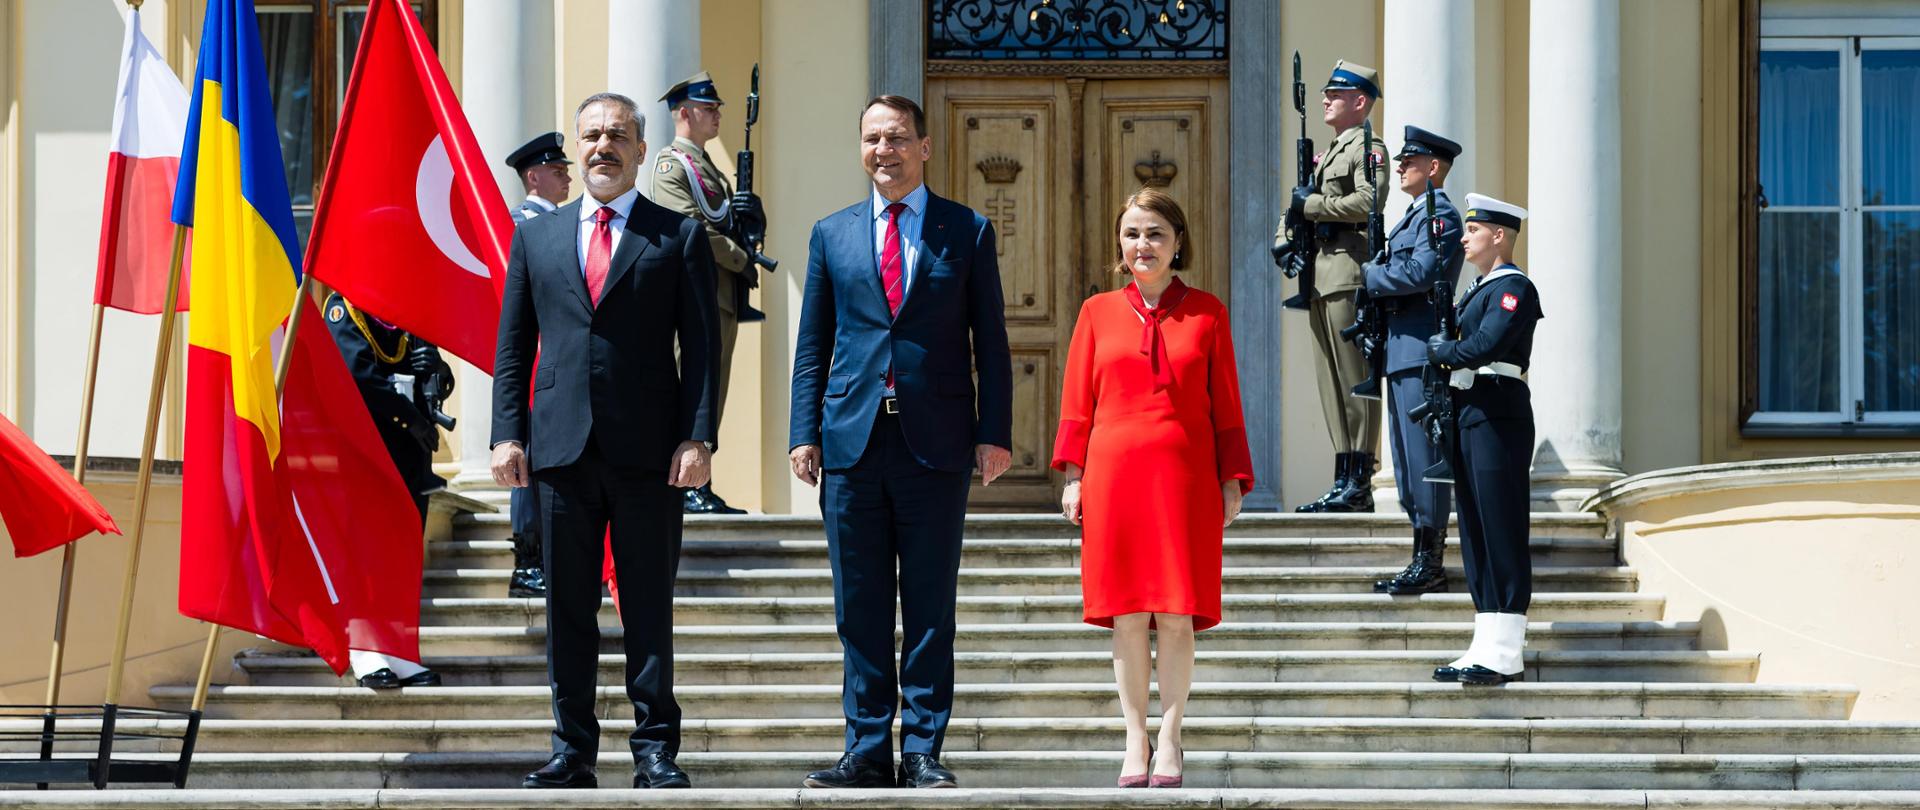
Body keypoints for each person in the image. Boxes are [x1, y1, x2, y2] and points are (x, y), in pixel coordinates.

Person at [490, 91, 719, 790]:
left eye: (617, 135)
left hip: (649, 453)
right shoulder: (538, 237)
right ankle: (572, 750)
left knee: (647, 606)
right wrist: (506, 435)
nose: (602, 147)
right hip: (560, 452)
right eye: (591, 136)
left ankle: (655, 751)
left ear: (640, 150)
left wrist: (698, 437)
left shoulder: (676, 236)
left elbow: (701, 351)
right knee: (567, 611)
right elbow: (512, 347)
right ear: (577, 148)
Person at [788, 95, 1013, 790]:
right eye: (872, 139)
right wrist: (802, 433)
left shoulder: (966, 229)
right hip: (851, 443)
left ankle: (921, 749)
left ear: (924, 146)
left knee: (928, 606)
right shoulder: (832, 233)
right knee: (858, 608)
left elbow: (991, 341)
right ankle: (864, 750)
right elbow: (813, 343)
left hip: (935, 444)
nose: (883, 150)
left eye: (896, 138)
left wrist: (994, 433)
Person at [1054, 187, 1252, 789]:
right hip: (1114, 477)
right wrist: (1073, 475)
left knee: (1176, 614)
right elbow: (1077, 401)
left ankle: (1171, 736)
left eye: (1156, 234)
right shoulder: (1095, 312)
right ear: (1120, 243)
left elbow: (1226, 403)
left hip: (1185, 478)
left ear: (1178, 242)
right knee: (1127, 615)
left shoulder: (1209, 313)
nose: (1143, 245)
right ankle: (1134, 737)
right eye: (1133, 234)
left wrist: (1232, 477)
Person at [1426, 193, 1540, 686]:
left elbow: (1487, 344)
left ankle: (1508, 651)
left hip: (1498, 412)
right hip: (1471, 410)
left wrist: (1444, 352)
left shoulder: (1514, 288)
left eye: (1473, 230)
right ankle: (1485, 643)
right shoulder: (1476, 290)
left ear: (1498, 235)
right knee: (1475, 531)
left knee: (1501, 527)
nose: (1464, 238)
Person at [322, 292, 450, 690]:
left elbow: (434, 378)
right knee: (367, 555)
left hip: (411, 458)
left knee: (401, 554)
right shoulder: (342, 309)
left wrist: (437, 369)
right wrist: (410, 419)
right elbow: (359, 375)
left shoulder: (405, 313)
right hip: (367, 453)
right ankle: (364, 651)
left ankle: (398, 650)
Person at [651, 70, 764, 515]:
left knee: (713, 391)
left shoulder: (707, 166)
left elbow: (724, 221)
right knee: (691, 388)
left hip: (721, 295)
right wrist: (739, 257)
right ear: (683, 113)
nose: (717, 115)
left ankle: (700, 480)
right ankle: (683, 484)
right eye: (708, 108)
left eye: (716, 108)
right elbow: (688, 227)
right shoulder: (671, 166)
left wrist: (751, 223)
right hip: (694, 295)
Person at [1365, 126, 1465, 595]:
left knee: (1424, 459)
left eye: (1411, 160)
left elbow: (1422, 272)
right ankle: (1420, 555)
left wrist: (1373, 275)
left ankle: (1431, 561)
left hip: (1420, 351)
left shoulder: (1438, 214)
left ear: (1434, 167)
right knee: (1406, 463)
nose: (1401, 166)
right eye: (1402, 159)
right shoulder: (1413, 216)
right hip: (1400, 349)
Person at [1287, 59, 1387, 513]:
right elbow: (1299, 204)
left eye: (1337, 94)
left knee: (1354, 380)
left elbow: (1369, 201)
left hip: (1347, 273)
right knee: (1330, 382)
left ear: (1359, 101)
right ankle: (1343, 476)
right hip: (1320, 276)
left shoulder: (1368, 146)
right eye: (1327, 93)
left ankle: (1360, 479)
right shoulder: (1330, 151)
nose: (1326, 99)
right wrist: (1285, 237)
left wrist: (1312, 206)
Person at [501, 131, 574, 598]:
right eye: (557, 170)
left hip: (560, 358)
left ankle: (551, 555)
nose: (567, 178)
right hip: (535, 359)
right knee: (525, 457)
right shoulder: (520, 226)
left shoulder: (565, 223)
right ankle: (528, 560)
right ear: (533, 177)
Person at [508, 131, 573, 222]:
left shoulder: (565, 217)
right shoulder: (522, 220)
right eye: (558, 173)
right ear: (533, 178)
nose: (569, 179)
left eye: (566, 172)